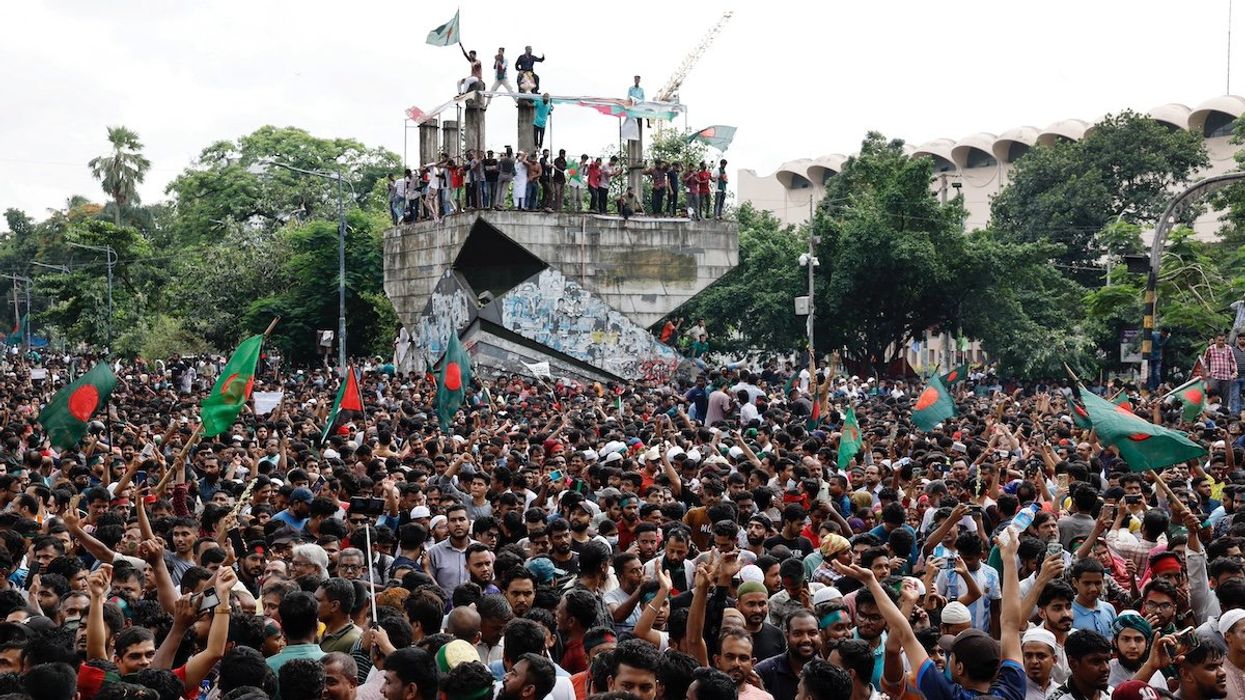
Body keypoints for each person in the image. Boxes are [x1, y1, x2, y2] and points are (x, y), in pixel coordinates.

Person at [1204, 333, 1238, 409]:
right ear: (1216, 340)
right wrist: (1207, 371)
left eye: (1223, 340)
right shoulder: (1210, 349)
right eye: (1219, 340)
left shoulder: (1228, 348)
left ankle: (1224, 413)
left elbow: (1233, 361)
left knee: (1226, 397)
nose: (1221, 342)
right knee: (1213, 394)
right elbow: (1205, 361)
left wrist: (1234, 372)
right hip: (1214, 376)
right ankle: (1212, 410)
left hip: (1226, 376)